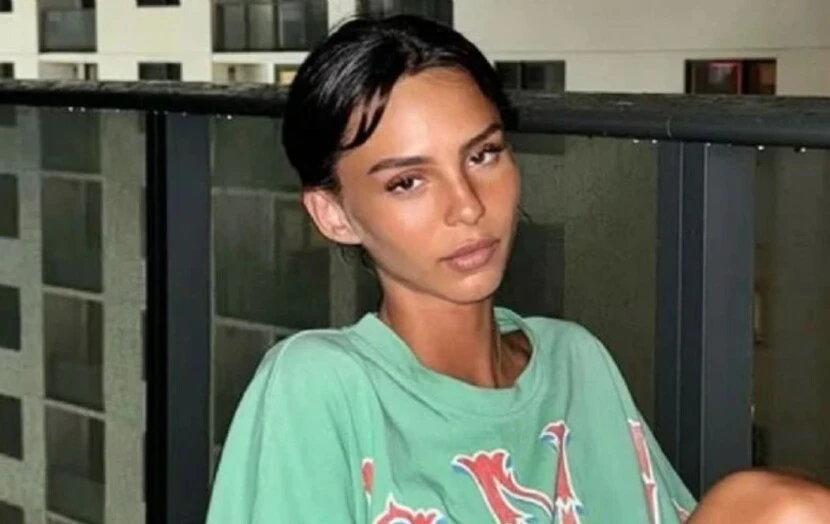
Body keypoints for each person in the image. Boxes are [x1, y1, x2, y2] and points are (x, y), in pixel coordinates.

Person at [206, 15, 830, 523]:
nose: (468, 206)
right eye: (407, 181)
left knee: (782, 506)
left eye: (483, 154)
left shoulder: (575, 361)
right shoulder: (321, 386)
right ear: (335, 214)